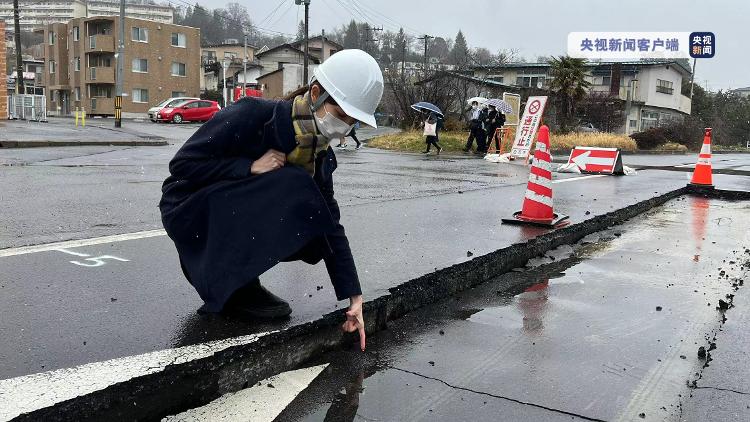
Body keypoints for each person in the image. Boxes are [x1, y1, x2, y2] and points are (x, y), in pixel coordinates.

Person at [159, 49, 383, 351]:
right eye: (340, 114)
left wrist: (354, 297)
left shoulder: (319, 156)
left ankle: (243, 278)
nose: (342, 127)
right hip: (190, 206)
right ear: (316, 93)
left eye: (351, 121)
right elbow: (182, 167)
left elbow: (331, 224)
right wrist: (248, 166)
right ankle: (225, 281)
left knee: (314, 215)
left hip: (232, 204)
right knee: (293, 182)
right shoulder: (254, 114)